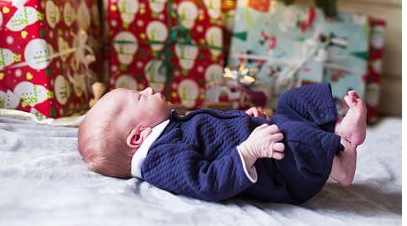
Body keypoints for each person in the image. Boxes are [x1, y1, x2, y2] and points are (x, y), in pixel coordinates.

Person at [77, 84, 367, 203]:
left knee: (292, 102)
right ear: (138, 136)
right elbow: (207, 182)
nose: (149, 89)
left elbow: (219, 132)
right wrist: (249, 150)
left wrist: (248, 119)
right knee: (291, 135)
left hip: (267, 139)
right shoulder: (160, 159)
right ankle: (339, 166)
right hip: (282, 173)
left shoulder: (171, 127)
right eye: (140, 96)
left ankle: (341, 131)